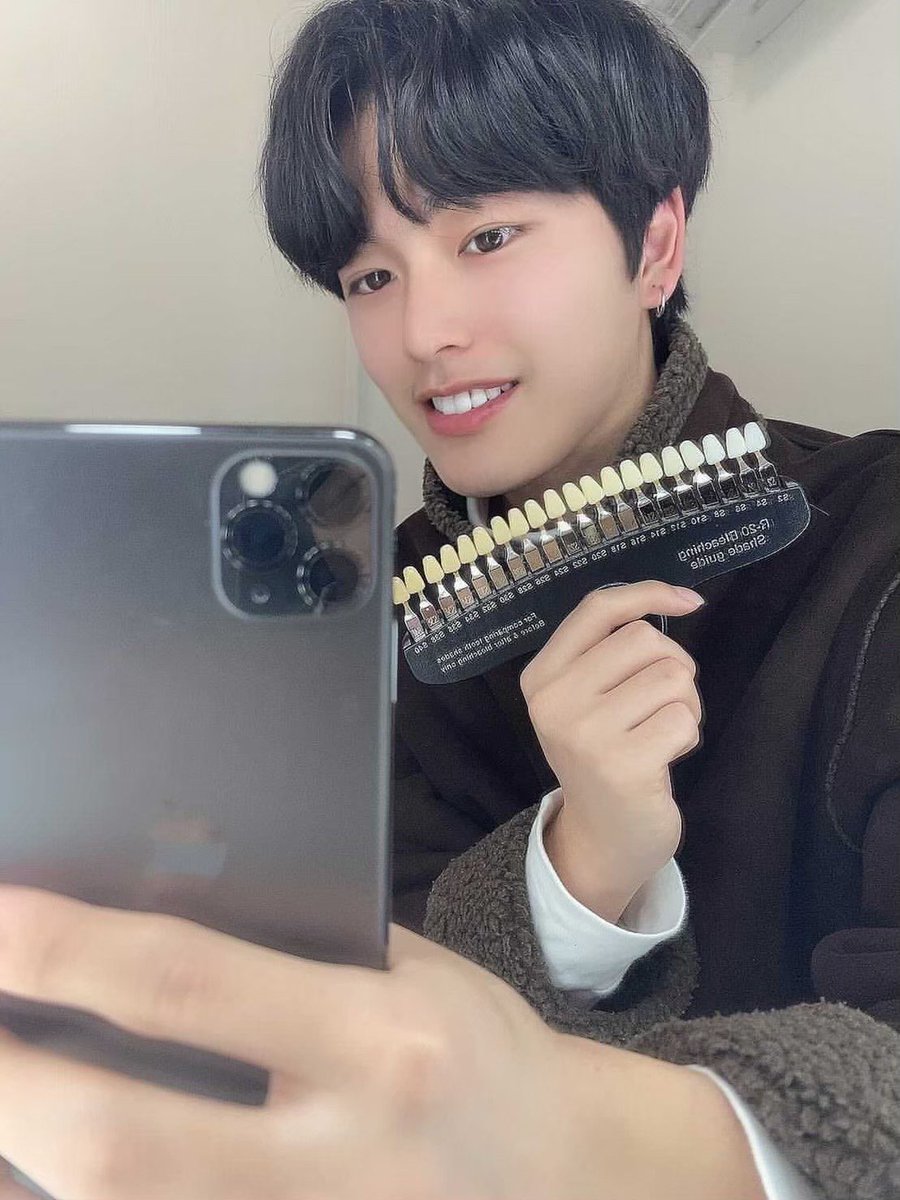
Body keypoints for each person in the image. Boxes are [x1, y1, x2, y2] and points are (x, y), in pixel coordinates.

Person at [0, 1, 896, 1198]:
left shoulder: (877, 540)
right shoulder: (350, 625)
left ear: (655, 247)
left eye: (488, 237)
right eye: (371, 274)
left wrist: (578, 1134)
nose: (424, 332)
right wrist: (578, 869)